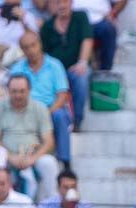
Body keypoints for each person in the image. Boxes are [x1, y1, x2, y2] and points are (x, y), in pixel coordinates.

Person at [0, 74, 60, 201]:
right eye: (14, 91)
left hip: (33, 154)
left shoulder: (40, 108)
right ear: (8, 91)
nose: (18, 95)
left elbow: (49, 141)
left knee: (49, 163)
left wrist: (32, 159)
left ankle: (52, 204)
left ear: (29, 91)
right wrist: (11, 157)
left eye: (22, 91)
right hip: (6, 155)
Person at [10, 34, 73, 169]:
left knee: (60, 116)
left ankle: (65, 162)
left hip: (51, 108)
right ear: (22, 50)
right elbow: (12, 94)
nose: (31, 50)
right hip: (24, 109)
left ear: (40, 44)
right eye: (26, 47)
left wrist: (45, 113)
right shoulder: (17, 68)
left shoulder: (55, 65)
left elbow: (62, 96)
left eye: (33, 45)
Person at [41, 0, 94, 132]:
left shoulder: (80, 17)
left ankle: (77, 121)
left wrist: (82, 62)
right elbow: (42, 54)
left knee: (81, 77)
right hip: (53, 71)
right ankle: (47, 121)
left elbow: (87, 39)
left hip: (75, 67)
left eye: (65, 2)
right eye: (57, 2)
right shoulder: (47, 26)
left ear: (71, 3)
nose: (62, 5)